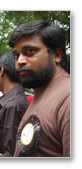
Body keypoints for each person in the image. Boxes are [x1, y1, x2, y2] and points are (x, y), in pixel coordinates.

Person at [9, 20, 70, 157]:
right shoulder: (41, 92)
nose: (20, 61)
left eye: (30, 51)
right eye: (16, 55)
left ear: (56, 55)